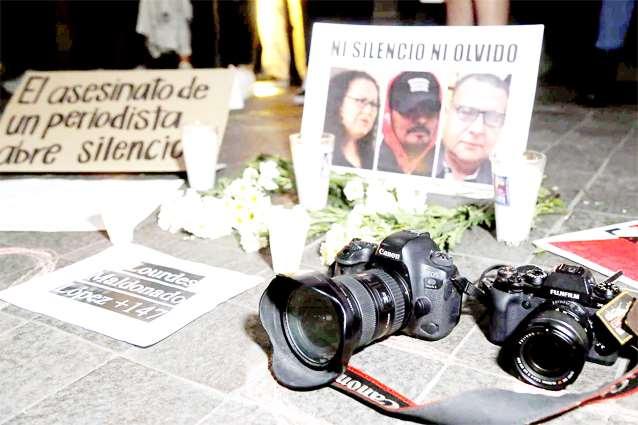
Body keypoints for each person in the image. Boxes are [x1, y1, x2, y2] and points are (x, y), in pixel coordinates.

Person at [435, 73, 510, 184]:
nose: (477, 129)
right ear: (446, 113)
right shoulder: (413, 163)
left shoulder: (505, 183)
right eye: (466, 112)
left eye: (493, 118)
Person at [377, 71, 442, 176]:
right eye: (410, 110)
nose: (422, 120)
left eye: (430, 111)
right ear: (389, 113)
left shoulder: (448, 172)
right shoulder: (368, 162)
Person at [323, 70, 380, 169]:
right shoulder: (322, 150)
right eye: (360, 101)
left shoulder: (374, 158)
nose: (368, 111)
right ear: (339, 103)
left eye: (374, 104)